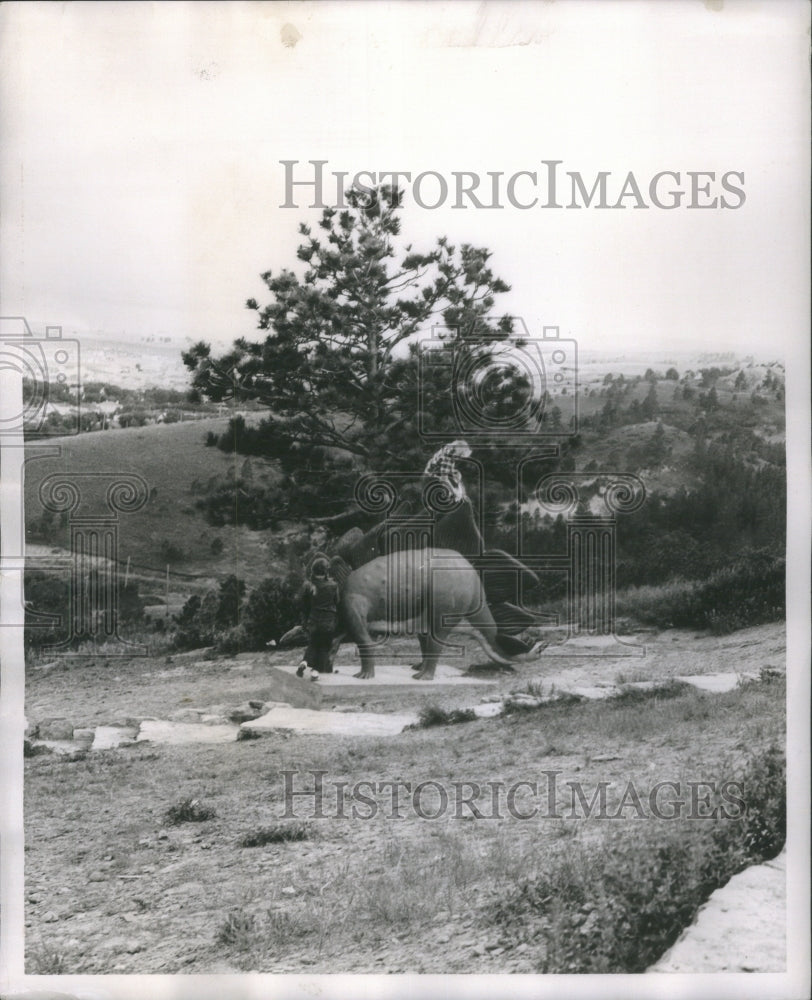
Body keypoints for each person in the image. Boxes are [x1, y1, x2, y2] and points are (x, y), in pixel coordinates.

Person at [296, 557, 339, 680]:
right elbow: (337, 601)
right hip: (329, 622)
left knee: (313, 644)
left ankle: (304, 663)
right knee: (324, 647)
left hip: (313, 621)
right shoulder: (333, 585)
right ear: (326, 571)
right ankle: (315, 672)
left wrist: (304, 621)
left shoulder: (308, 585)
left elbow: (303, 605)